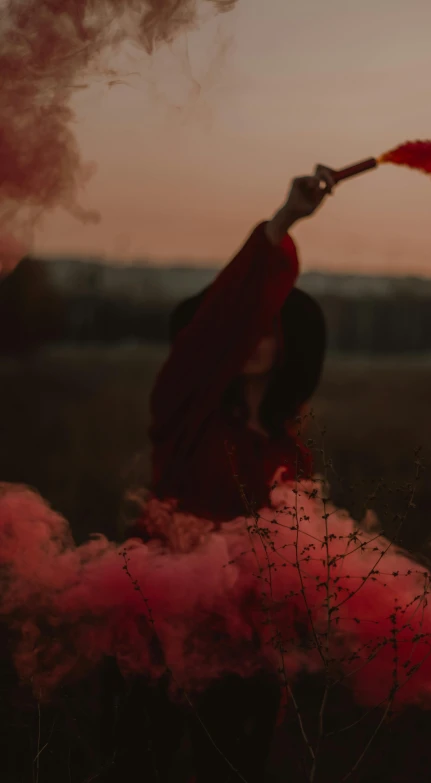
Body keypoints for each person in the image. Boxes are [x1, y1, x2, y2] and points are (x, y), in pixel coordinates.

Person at [103, 164, 336, 782]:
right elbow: (222, 321)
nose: (255, 336)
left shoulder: (291, 451)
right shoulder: (187, 408)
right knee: (138, 764)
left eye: (270, 326)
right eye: (244, 328)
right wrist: (285, 220)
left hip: (245, 650)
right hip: (158, 628)